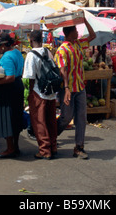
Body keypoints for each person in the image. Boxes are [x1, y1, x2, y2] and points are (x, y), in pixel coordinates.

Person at [54, 17, 96, 159]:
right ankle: (51, 137)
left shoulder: (78, 44)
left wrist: (84, 21)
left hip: (80, 87)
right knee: (66, 117)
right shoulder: (62, 49)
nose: (78, 33)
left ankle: (79, 147)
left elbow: (93, 36)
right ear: (69, 33)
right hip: (67, 89)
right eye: (76, 31)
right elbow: (63, 70)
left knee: (81, 118)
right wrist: (66, 88)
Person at [23, 30, 58, 160]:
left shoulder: (31, 55)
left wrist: (30, 93)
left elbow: (30, 77)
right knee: (50, 120)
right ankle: (53, 147)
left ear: (31, 40)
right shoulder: (47, 51)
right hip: (51, 92)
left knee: (39, 121)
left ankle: (44, 150)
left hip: (39, 92)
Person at [0, 32, 24, 159]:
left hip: (8, 91)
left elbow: (10, 77)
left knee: (8, 119)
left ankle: (10, 148)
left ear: (3, 45)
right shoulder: (17, 53)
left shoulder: (8, 56)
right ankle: (15, 146)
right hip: (17, 88)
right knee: (15, 118)